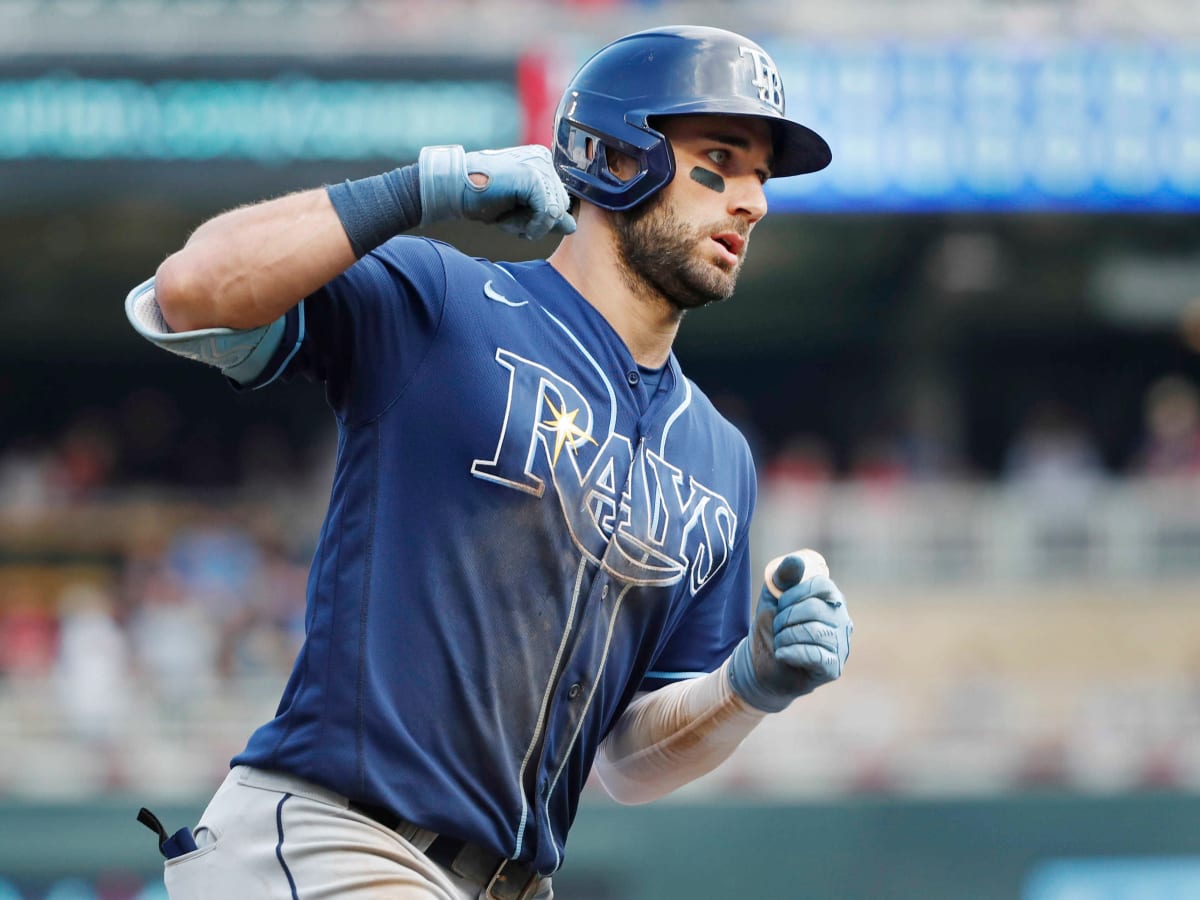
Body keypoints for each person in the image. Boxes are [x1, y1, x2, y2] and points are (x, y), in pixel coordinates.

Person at [125, 25, 854, 900]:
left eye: (760, 179)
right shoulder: (446, 303)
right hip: (335, 841)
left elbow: (630, 762)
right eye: (719, 162)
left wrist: (751, 682)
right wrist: (426, 187)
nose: (751, 202)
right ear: (618, 158)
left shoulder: (720, 456)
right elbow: (189, 291)